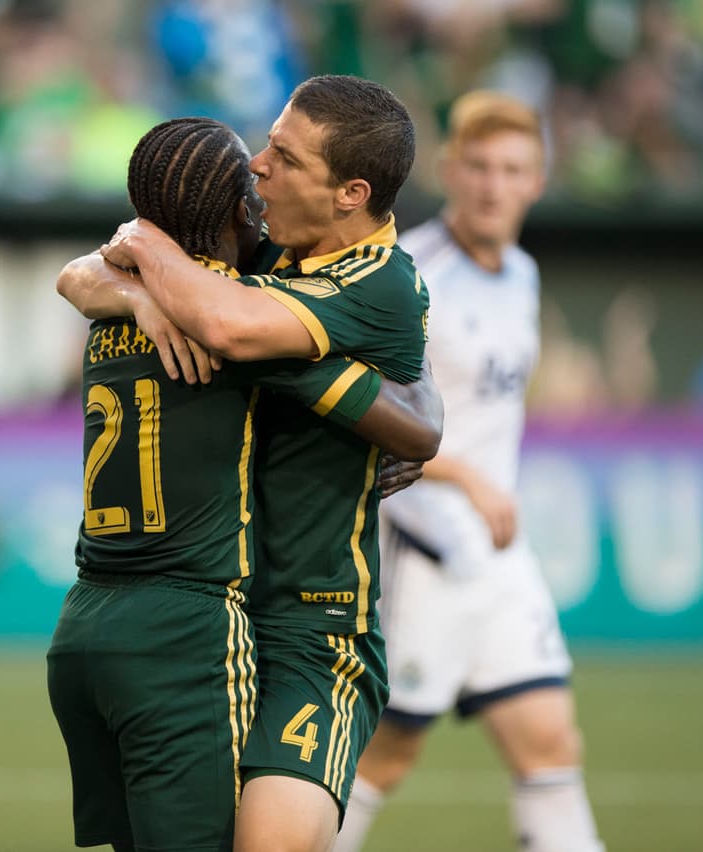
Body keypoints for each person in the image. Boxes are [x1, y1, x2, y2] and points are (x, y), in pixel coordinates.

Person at [47, 116, 441, 852]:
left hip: (310, 634)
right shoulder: (246, 275)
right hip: (218, 625)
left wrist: (140, 258)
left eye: (283, 158)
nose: (259, 169)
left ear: (350, 193)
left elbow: (417, 420)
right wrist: (137, 276)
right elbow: (81, 274)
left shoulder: (368, 280)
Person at [329, 91, 604, 852]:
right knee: (387, 754)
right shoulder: (411, 276)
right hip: (425, 548)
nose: (493, 185)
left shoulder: (521, 274)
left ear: (537, 180)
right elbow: (363, 412)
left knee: (549, 743)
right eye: (478, 167)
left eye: (512, 168)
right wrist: (470, 480)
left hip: (497, 556)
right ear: (450, 170)